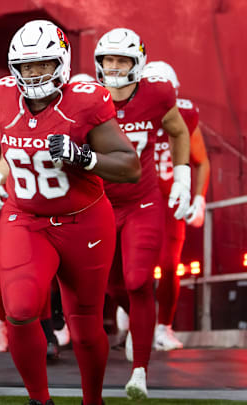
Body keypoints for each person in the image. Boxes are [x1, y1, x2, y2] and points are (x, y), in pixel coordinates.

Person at [0, 20, 141, 405]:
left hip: (84, 220)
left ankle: (92, 401)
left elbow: (130, 166)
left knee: (84, 327)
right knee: (21, 309)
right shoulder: (1, 95)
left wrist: (84, 157)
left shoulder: (85, 99)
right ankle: (39, 400)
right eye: (26, 67)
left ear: (61, 63)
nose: (34, 74)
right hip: (25, 217)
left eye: (43, 65)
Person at [94, 28, 192, 400]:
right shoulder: (85, 97)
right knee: (112, 286)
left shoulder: (156, 94)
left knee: (138, 281)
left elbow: (179, 132)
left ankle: (140, 371)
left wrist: (182, 178)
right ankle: (134, 321)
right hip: (99, 203)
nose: (114, 67)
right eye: (109, 60)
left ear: (138, 63)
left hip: (142, 202)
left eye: (122, 60)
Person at [143, 61, 210, 350]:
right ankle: (132, 313)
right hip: (138, 199)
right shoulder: (127, 113)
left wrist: (199, 198)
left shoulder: (183, 115)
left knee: (170, 265)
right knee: (131, 267)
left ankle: (163, 326)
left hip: (171, 200)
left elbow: (201, 160)